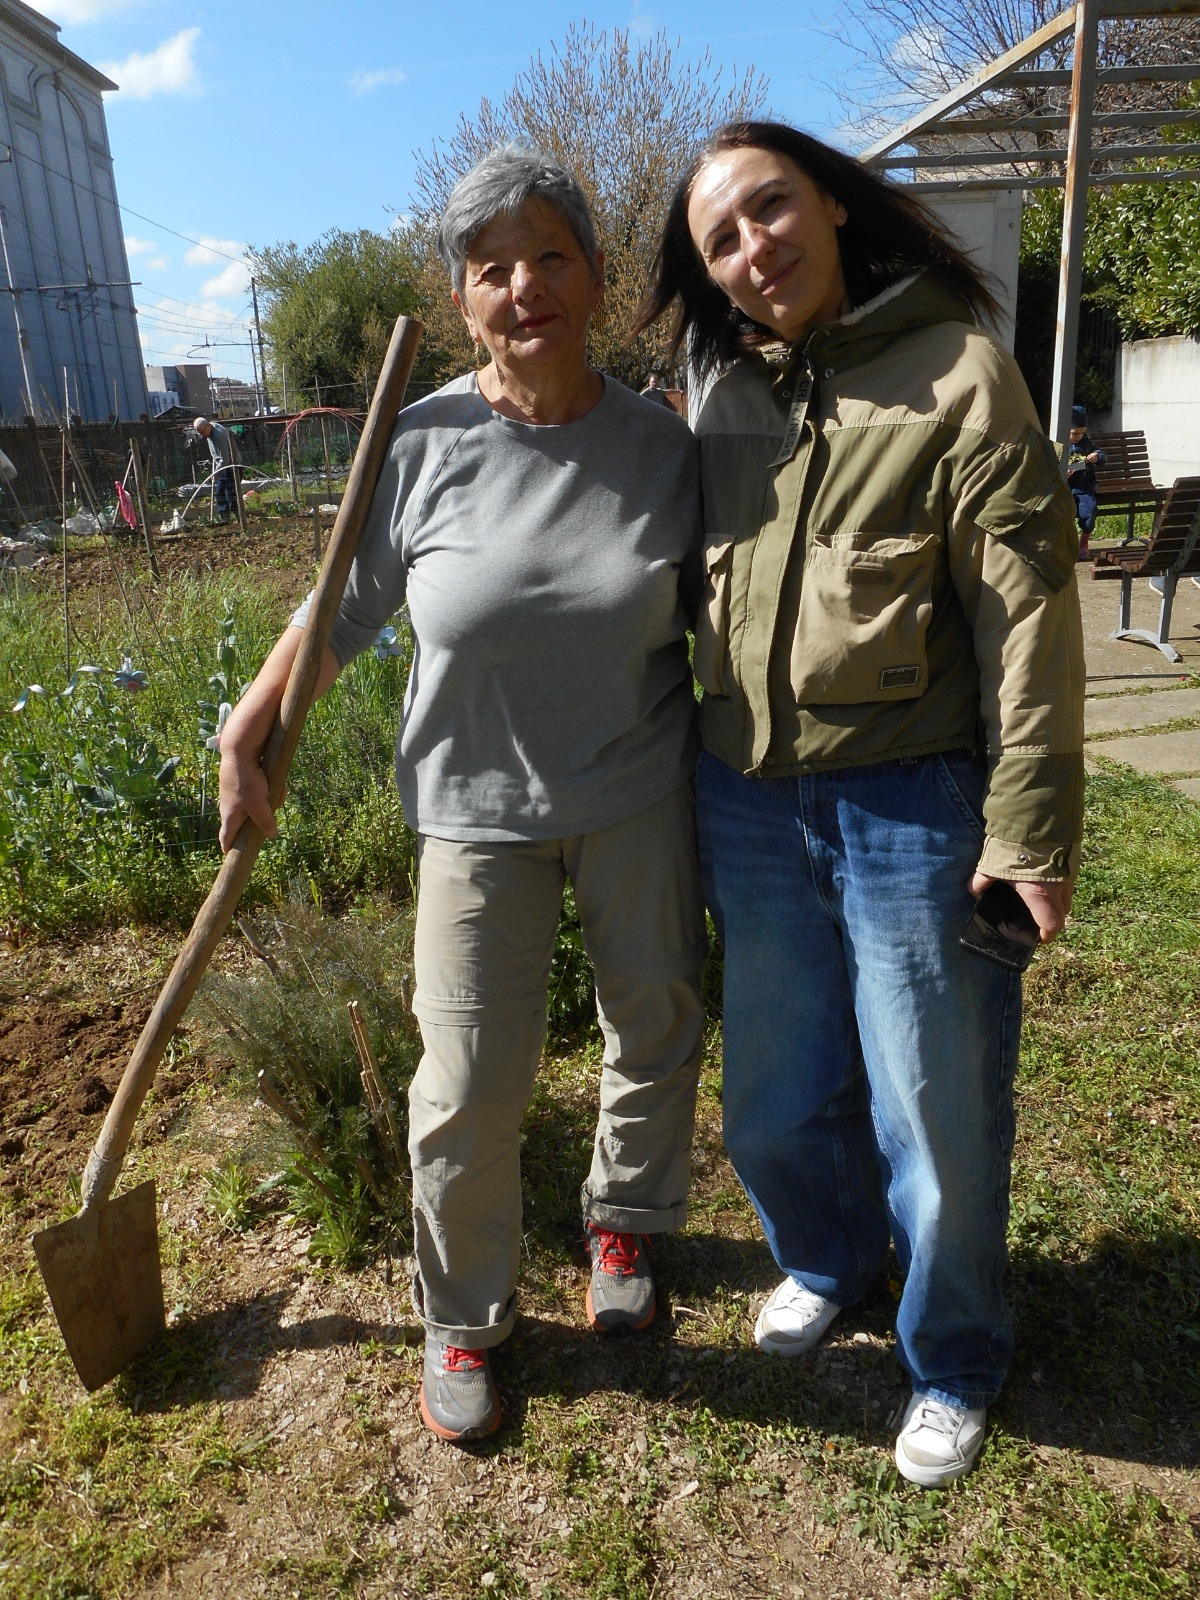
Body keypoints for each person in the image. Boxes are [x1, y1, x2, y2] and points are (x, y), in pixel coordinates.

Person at [218, 145, 706, 1444]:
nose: (524, 285)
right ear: (461, 301)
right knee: (468, 1079)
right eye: (492, 266)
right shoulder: (421, 438)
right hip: (475, 811)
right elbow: (337, 613)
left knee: (651, 1020)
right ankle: (465, 1314)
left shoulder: (664, 446)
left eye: (551, 254)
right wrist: (261, 718)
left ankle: (624, 1229)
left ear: (596, 279)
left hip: (635, 787)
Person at [637, 121, 1084, 1488]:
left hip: (912, 804)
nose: (752, 248)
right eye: (720, 240)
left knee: (933, 1105)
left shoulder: (958, 373)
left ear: (830, 204)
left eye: (770, 209)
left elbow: (1028, 621)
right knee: (775, 1091)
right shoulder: (718, 393)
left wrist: (1031, 833)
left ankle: (952, 1352)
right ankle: (826, 1258)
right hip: (752, 803)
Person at [1067, 403, 1105, 555]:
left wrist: (1097, 457)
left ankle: (1085, 539)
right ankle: (1069, 542)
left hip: (1084, 487)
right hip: (1066, 487)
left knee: (1088, 512)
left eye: (1082, 433)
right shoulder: (1060, 444)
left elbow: (1101, 456)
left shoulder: (1086, 443)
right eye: (1075, 433)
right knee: (1064, 514)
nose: (1078, 437)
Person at [193, 416, 239, 522]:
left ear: (208, 426)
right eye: (200, 433)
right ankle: (225, 520)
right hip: (222, 467)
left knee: (231, 494)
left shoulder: (219, 435)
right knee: (219, 493)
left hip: (231, 467)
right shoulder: (210, 433)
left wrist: (215, 472)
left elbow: (226, 458)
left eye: (203, 432)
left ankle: (240, 519)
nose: (203, 435)